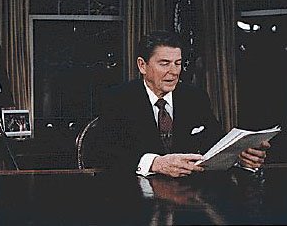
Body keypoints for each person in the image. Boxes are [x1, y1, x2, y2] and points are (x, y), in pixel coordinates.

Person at [90, 30, 270, 177]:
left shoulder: (194, 97)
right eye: (164, 63)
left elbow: (215, 144)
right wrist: (156, 163)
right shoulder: (116, 98)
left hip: (189, 197)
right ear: (142, 65)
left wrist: (238, 156)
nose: (174, 72)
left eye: (178, 63)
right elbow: (104, 152)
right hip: (134, 197)